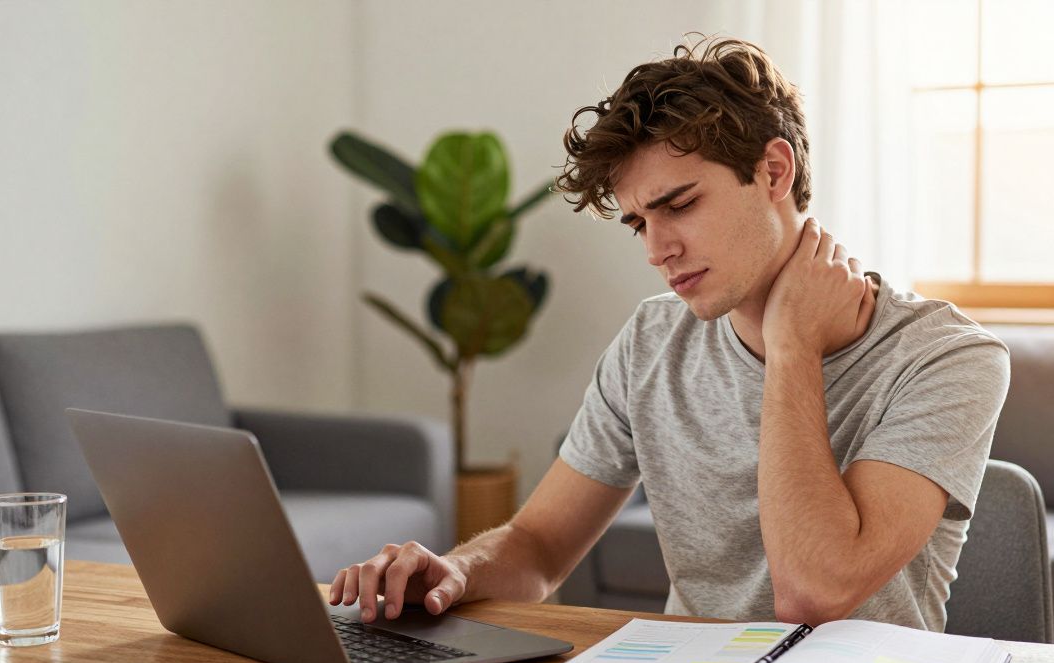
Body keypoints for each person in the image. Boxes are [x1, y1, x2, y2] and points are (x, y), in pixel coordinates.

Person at [328, 36, 1009, 630]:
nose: (657, 250)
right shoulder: (651, 341)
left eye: (679, 205)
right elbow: (538, 545)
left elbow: (815, 590)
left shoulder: (947, 358)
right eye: (637, 224)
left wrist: (793, 345)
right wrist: (453, 570)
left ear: (774, 171)